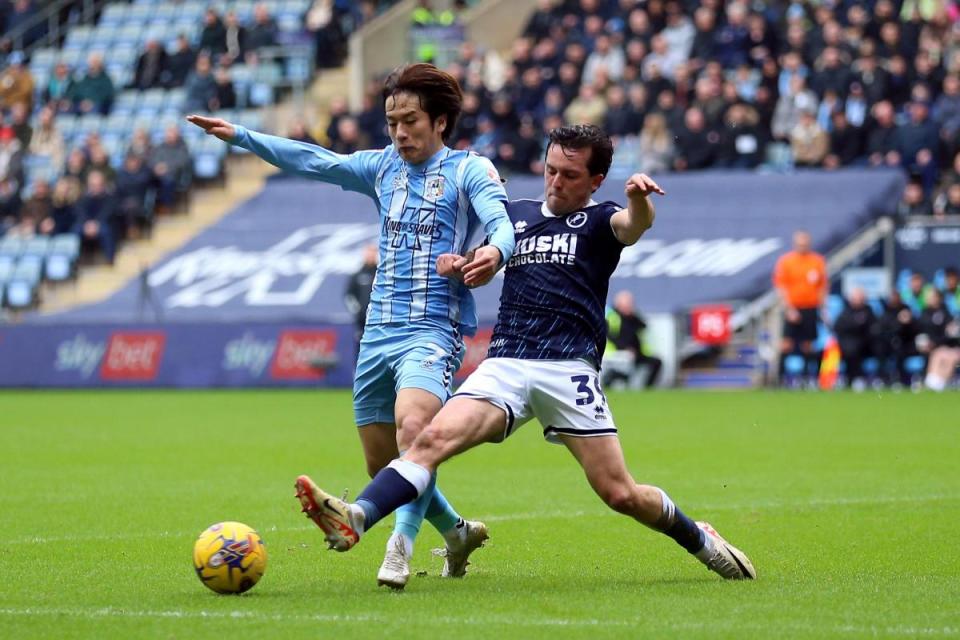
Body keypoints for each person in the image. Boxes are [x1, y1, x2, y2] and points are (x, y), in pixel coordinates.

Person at [293, 125, 756, 585]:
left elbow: (634, 225)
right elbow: (482, 256)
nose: (555, 181)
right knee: (427, 443)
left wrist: (638, 198)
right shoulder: (514, 216)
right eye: (550, 169)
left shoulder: (601, 220)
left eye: (570, 175)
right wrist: (460, 266)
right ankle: (357, 517)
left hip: (567, 370)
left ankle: (700, 539)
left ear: (596, 181)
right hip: (506, 365)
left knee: (620, 493)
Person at [187, 62, 515, 590]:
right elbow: (316, 160)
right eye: (391, 122)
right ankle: (455, 532)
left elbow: (501, 222)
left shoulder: (469, 171)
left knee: (415, 434)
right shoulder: (381, 167)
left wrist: (493, 251)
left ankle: (397, 548)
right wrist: (243, 137)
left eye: (410, 120)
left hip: (434, 328)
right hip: (377, 333)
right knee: (383, 464)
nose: (400, 132)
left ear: (440, 122)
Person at [773, 230, 827, 386]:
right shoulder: (786, 261)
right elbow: (781, 287)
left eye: (805, 244)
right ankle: (779, 380)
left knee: (808, 345)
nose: (802, 247)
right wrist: (789, 309)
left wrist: (823, 308)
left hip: (810, 307)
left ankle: (808, 380)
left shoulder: (817, 261)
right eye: (800, 244)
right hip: (793, 307)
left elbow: (822, 287)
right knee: (786, 344)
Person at [605, 290, 663, 388]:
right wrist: (625, 348)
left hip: (636, 353)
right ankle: (610, 379)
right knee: (625, 369)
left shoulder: (632, 317)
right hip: (618, 353)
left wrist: (633, 315)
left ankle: (647, 389)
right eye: (627, 303)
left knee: (657, 362)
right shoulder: (612, 317)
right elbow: (610, 337)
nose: (630, 306)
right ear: (618, 304)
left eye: (631, 303)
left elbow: (644, 326)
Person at [832, 287, 876, 389]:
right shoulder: (846, 311)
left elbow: (873, 327)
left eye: (860, 298)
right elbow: (838, 327)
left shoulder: (868, 311)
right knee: (849, 350)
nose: (857, 300)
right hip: (847, 343)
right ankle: (849, 378)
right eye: (855, 298)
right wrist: (855, 325)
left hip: (865, 343)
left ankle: (861, 378)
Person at [344, 243, 378, 348]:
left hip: (379, 318)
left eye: (373, 253)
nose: (370, 256)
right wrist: (358, 311)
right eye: (368, 253)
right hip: (362, 320)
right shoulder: (357, 275)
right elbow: (348, 295)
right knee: (361, 346)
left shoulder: (382, 274)